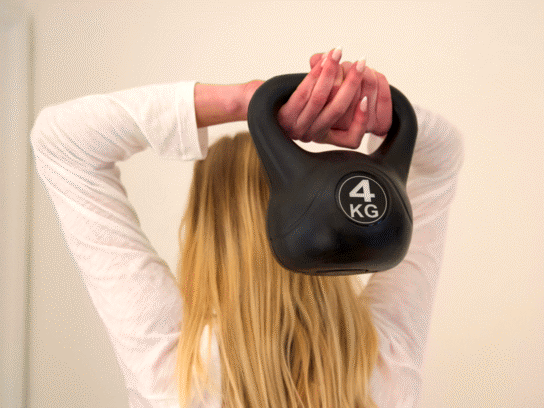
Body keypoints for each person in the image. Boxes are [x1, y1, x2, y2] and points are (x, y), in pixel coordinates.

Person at [30, 48, 464, 408]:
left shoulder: (175, 369)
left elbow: (63, 142)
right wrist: (368, 106)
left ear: (206, 230)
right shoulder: (384, 359)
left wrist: (245, 101)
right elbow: (442, 158)